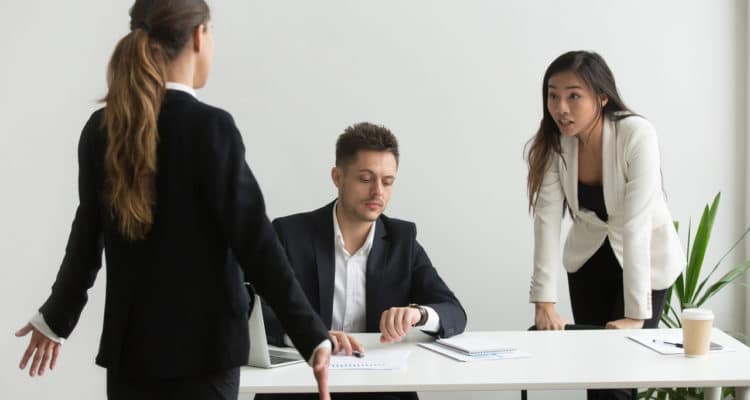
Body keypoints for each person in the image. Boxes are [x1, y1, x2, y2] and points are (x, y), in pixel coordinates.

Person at [15, 1, 334, 399]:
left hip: (131, 355)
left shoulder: (101, 128)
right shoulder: (211, 128)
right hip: (206, 358)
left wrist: (55, 318)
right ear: (200, 35)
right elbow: (256, 245)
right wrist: (312, 336)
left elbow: (85, 240)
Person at [256, 123, 467, 400]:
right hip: (300, 385)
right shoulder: (290, 233)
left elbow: (454, 312)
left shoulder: (401, 239)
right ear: (337, 177)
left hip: (379, 388)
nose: (377, 192)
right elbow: (255, 310)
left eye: (387, 181)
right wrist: (309, 334)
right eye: (365, 179)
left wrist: (419, 313)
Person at [526, 51, 684, 400]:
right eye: (553, 95)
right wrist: (544, 302)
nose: (560, 107)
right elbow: (547, 221)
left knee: (620, 378)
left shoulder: (636, 133)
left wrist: (635, 315)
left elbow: (637, 225)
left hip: (646, 263)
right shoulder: (556, 144)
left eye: (573, 95)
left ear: (602, 97)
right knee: (596, 377)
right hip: (588, 261)